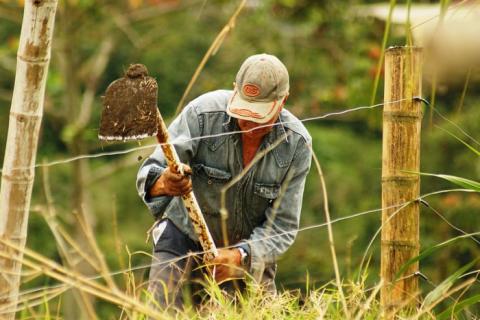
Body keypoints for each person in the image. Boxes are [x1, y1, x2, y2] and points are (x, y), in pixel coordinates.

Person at [136, 53, 312, 309]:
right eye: (244, 112)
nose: (249, 122)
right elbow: (150, 174)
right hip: (182, 239)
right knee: (159, 312)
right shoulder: (202, 115)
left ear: (282, 101)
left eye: (259, 115)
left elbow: (282, 226)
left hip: (247, 255)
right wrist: (165, 182)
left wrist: (240, 257)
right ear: (235, 90)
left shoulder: (296, 145)